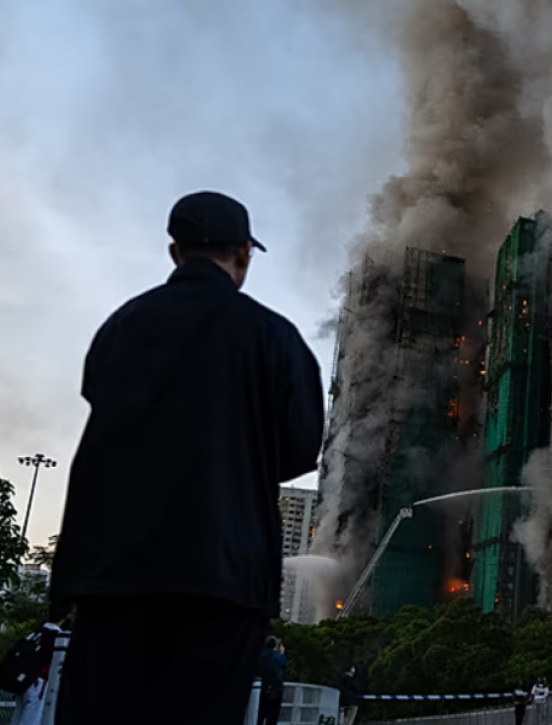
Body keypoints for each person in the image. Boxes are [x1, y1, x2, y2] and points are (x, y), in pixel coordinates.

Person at [49, 191, 325, 725]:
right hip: (224, 575)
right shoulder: (276, 338)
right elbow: (299, 448)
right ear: (243, 254)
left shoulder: (123, 326)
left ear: (175, 252)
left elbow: (98, 402)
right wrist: (234, 468)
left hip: (114, 570)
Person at [10, 604, 70, 725]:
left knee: (18, 717)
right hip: (39, 683)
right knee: (32, 719)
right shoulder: (57, 637)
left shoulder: (35, 634)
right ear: (65, 617)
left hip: (23, 682)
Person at [257, 637, 289, 725]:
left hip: (261, 688)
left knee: (259, 715)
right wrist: (282, 653)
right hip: (275, 689)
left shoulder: (261, 655)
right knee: (272, 717)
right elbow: (285, 665)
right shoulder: (278, 657)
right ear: (276, 646)